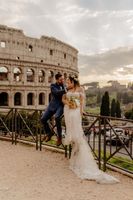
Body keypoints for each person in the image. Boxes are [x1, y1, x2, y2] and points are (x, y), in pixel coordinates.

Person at [62, 74, 119, 184]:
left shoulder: (81, 89)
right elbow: (63, 98)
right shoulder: (67, 89)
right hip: (68, 112)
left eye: (69, 82)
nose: (67, 83)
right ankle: (76, 157)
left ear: (73, 82)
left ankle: (81, 161)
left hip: (76, 112)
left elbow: (82, 102)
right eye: (67, 82)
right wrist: (66, 102)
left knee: (78, 136)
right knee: (74, 135)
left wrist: (81, 111)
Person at [41, 72, 66, 146]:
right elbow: (57, 93)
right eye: (61, 79)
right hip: (52, 106)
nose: (62, 81)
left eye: (63, 79)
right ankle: (49, 133)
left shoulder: (64, 85)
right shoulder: (53, 86)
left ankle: (59, 137)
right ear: (57, 79)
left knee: (57, 117)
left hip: (61, 106)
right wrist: (67, 89)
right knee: (43, 119)